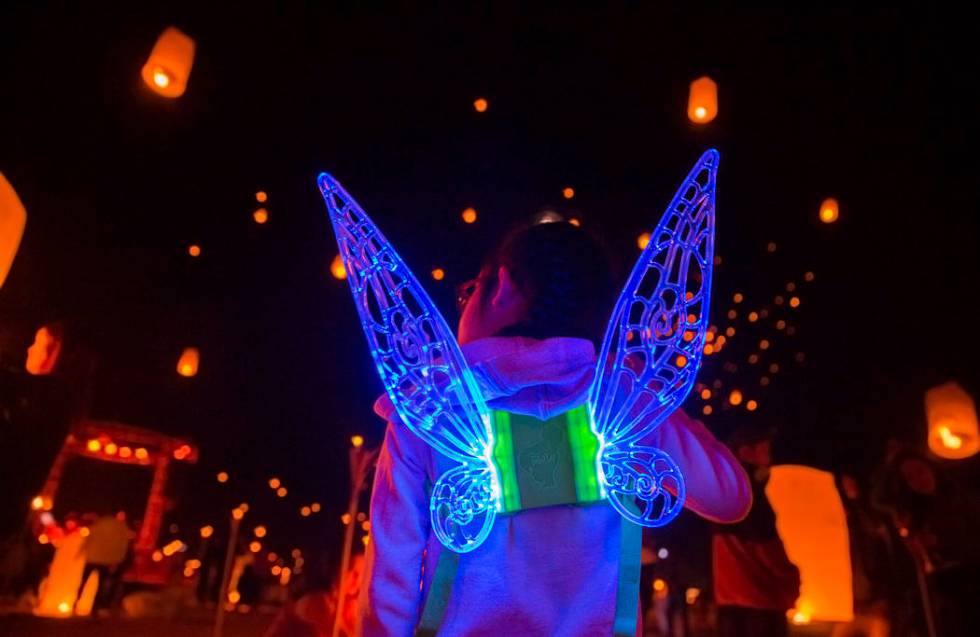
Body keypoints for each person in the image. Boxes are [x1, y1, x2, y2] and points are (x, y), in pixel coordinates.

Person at [357, 221, 752, 636]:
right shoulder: (623, 395)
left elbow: (391, 582)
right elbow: (730, 497)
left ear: (502, 285)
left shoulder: (428, 410)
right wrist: (652, 403)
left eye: (468, 291)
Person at [712, 424, 800, 637]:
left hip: (729, 599)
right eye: (763, 444)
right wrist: (792, 579)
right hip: (760, 602)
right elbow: (767, 548)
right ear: (745, 452)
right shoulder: (751, 498)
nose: (769, 449)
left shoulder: (724, 491)